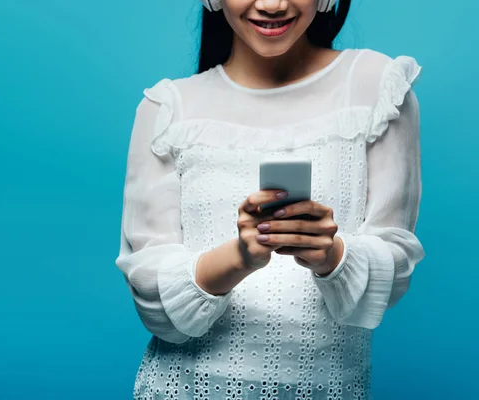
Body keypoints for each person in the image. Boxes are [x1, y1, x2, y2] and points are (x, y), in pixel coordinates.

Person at [115, 0, 425, 398]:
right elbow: (156, 306)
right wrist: (241, 257)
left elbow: (393, 272)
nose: (272, 4)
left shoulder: (378, 89)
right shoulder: (167, 110)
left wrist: (330, 256)